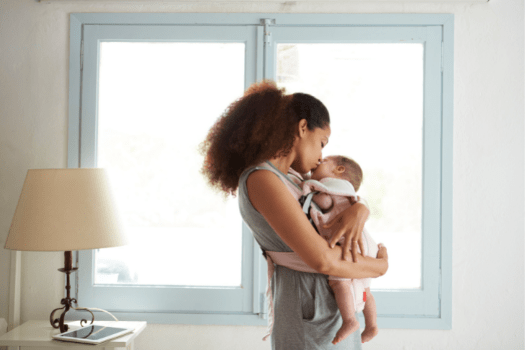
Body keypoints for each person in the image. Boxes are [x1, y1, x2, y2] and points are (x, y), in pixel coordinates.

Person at [200, 80, 388, 350]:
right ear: (302, 128)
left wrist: (360, 207)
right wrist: (379, 267)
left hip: (331, 310)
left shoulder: (292, 178)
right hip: (310, 314)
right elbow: (322, 259)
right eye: (322, 143)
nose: (322, 155)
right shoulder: (262, 179)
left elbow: (334, 196)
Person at [295, 155, 379, 344]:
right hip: (366, 244)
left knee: (339, 283)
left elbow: (325, 202)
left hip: (350, 243)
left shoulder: (328, 186)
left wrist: (309, 194)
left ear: (339, 170)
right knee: (365, 288)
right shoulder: (347, 192)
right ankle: (372, 325)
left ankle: (350, 320)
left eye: (324, 161)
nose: (318, 161)